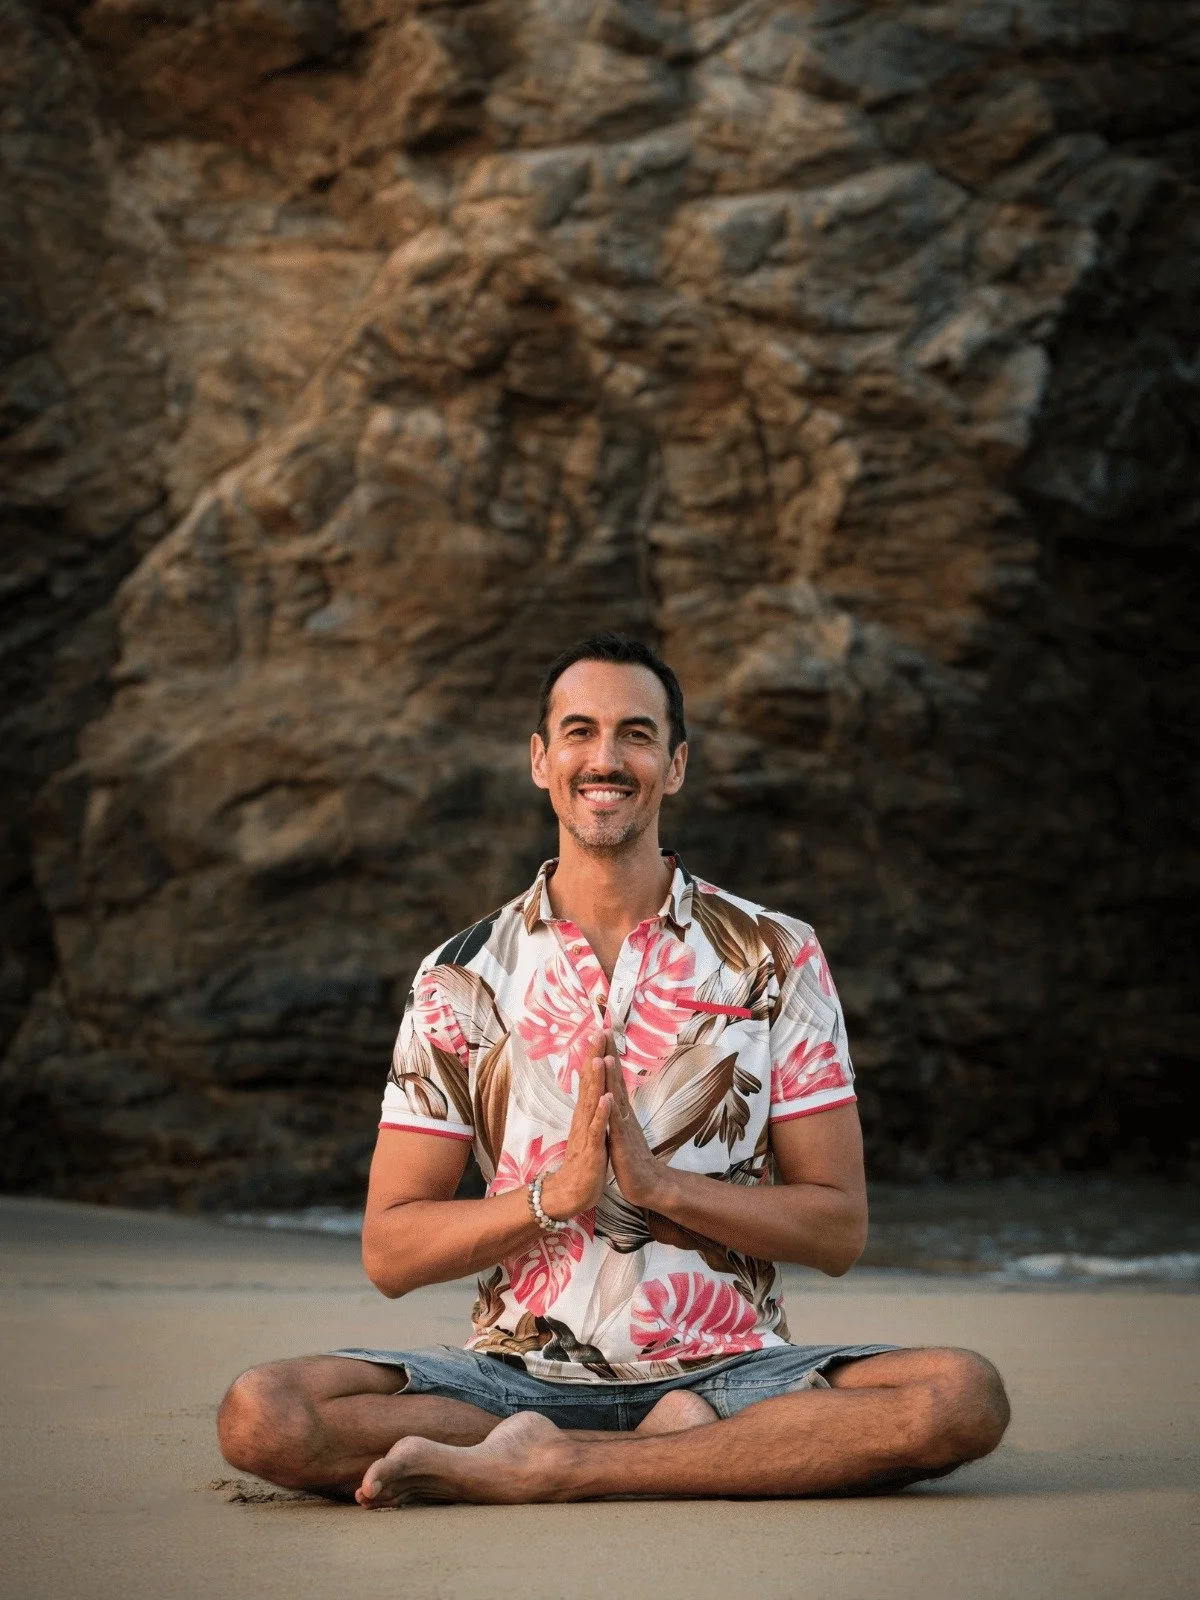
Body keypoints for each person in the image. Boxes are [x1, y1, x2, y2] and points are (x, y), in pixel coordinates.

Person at [217, 632, 1009, 1506]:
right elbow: (389, 1250)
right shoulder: (461, 974)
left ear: (675, 766)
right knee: (265, 1413)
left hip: (731, 1372)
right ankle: (663, 1454)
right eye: (580, 732)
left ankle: (559, 1466)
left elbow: (838, 1229)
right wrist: (550, 1197)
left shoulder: (775, 954)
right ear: (541, 760)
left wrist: (663, 1189)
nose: (606, 759)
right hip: (515, 1378)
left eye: (636, 734)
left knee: (959, 1396)